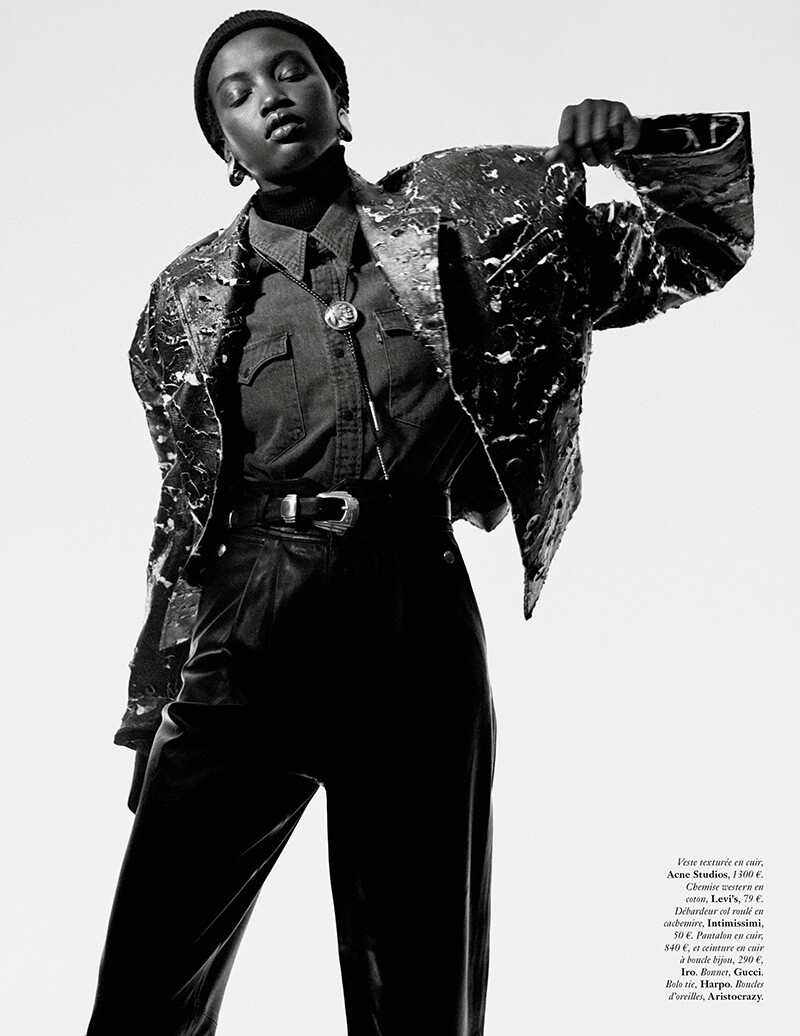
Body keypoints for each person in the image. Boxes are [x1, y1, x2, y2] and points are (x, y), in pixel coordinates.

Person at [85, 9, 754, 1035]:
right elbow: (184, 513)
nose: (270, 97)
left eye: (292, 71)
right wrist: (153, 703)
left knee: (419, 995)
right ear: (226, 149)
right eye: (236, 95)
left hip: (413, 611)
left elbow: (700, 246)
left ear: (338, 100)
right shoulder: (184, 299)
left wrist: (642, 149)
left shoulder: (477, 227)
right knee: (145, 992)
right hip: (249, 622)